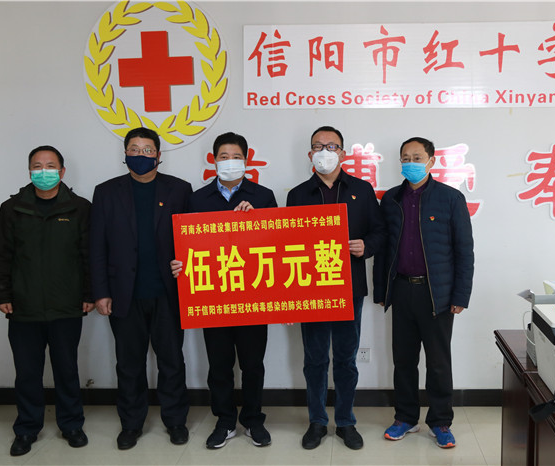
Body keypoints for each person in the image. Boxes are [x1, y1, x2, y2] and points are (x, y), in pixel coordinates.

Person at [171, 132, 277, 449]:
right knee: (219, 365)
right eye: (223, 156)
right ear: (214, 160)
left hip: (253, 295)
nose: (230, 162)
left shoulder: (263, 196)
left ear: (246, 160)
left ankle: (254, 420)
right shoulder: (198, 199)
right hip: (213, 297)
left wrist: (256, 221)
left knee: (252, 364)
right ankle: (225, 421)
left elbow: (277, 245)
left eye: (236, 156)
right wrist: (180, 264)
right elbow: (188, 244)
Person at [90, 127, 191, 450]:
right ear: (125, 154)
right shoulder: (106, 192)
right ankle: (131, 424)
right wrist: (100, 292)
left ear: (159, 156)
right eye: (134, 149)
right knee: (129, 364)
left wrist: (186, 263)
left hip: (168, 292)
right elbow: (96, 247)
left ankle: (175, 421)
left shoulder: (180, 190)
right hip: (124, 294)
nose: (141, 155)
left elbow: (194, 240)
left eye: (147, 150)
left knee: (171, 361)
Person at [0, 145, 93, 456]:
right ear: (29, 171)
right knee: (27, 373)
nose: (44, 171)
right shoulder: (12, 208)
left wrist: (89, 293)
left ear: (62, 171)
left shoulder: (80, 208)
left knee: (67, 370)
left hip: (66, 305)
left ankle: (71, 424)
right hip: (24, 306)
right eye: (37, 166)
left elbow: (89, 256)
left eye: (50, 166)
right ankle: (26, 428)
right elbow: (1, 254)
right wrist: (1, 293)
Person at [286, 125, 385, 450]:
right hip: (310, 290)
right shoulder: (298, 195)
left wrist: (365, 247)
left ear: (343, 153)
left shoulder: (361, 189)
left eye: (332, 146)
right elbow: (285, 245)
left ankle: (345, 421)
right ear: (310, 153)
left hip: (349, 288)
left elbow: (379, 232)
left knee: (345, 359)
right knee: (314, 360)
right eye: (318, 146)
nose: (324, 151)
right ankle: (317, 421)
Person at [374, 136, 474, 449]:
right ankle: (405, 418)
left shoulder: (450, 198)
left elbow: (464, 251)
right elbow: (384, 249)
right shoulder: (391, 199)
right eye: (405, 158)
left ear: (431, 161)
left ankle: (441, 422)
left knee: (438, 363)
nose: (411, 163)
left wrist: (460, 295)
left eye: (417, 158)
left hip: (437, 294)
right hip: (402, 290)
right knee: (403, 361)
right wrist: (382, 290)